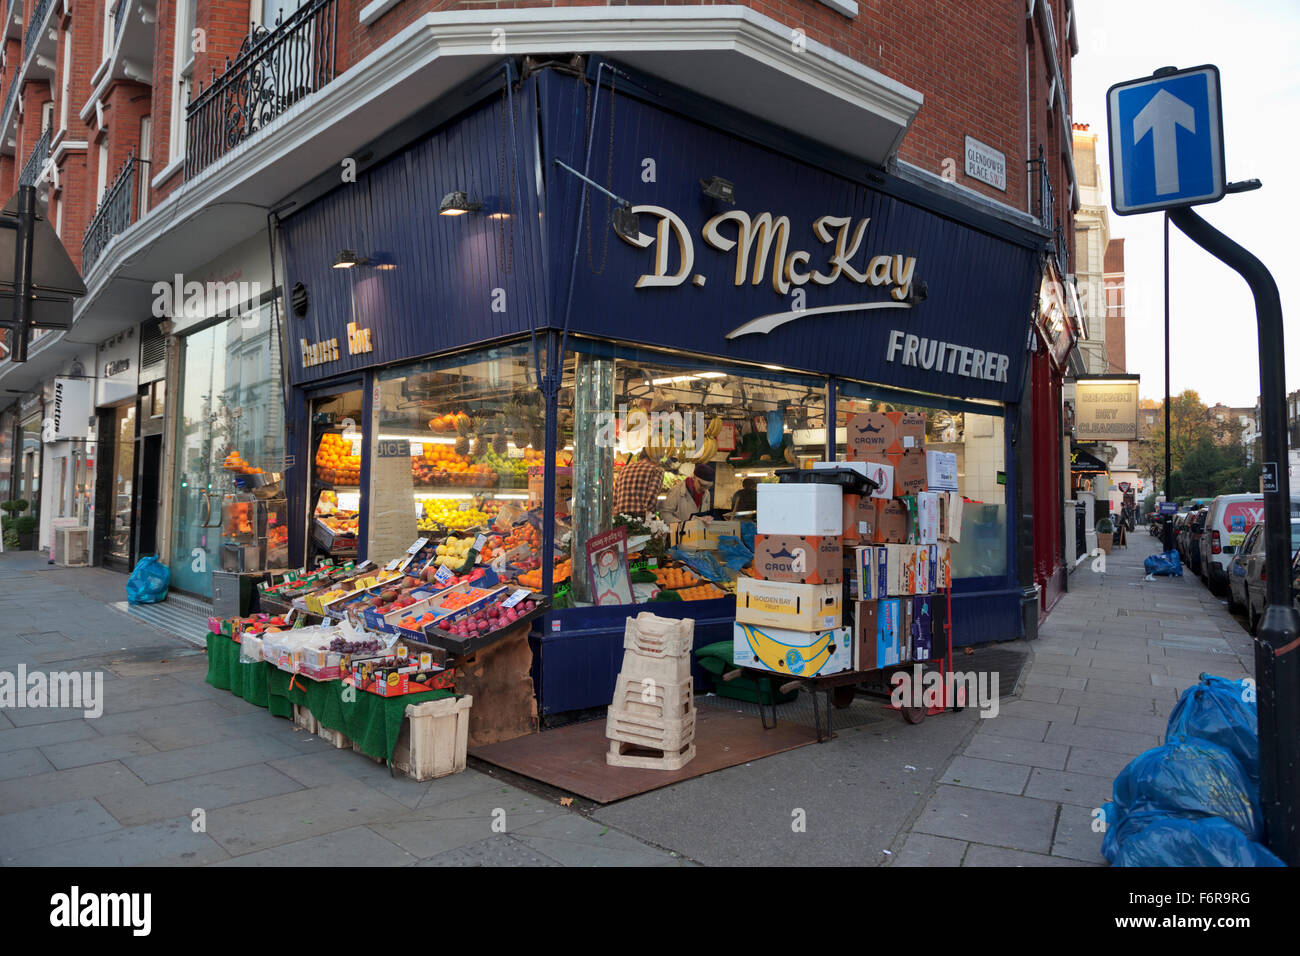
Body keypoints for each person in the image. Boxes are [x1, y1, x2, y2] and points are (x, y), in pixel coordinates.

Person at [612, 449, 664, 518]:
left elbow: (615, 499)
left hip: (621, 519)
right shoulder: (656, 470)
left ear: (640, 457)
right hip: (641, 519)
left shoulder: (623, 470)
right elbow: (651, 499)